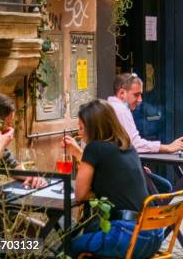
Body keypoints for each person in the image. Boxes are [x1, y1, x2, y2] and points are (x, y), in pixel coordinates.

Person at [64, 100, 163, 258]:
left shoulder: (94, 148)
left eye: (81, 127)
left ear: (93, 128)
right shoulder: (127, 146)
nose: (79, 132)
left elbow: (80, 195)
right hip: (154, 235)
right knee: (94, 232)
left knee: (69, 246)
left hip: (127, 236)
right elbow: (108, 173)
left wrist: (94, 192)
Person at [0, 92, 48, 234]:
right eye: (9, 123)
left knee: (7, 212)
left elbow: (13, 166)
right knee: (0, 212)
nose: (11, 128)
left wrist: (33, 176)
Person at [108, 73, 183, 193]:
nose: (140, 100)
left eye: (141, 94)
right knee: (165, 187)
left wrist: (137, 164)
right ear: (122, 93)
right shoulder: (121, 110)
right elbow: (136, 144)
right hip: (119, 175)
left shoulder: (109, 106)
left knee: (161, 185)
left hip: (115, 170)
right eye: (136, 95)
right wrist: (168, 148)